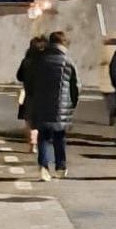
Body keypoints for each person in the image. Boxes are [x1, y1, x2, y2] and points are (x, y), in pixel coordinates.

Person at [27, 30, 79, 182]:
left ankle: (43, 167)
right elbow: (76, 86)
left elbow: (30, 83)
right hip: (61, 107)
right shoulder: (68, 62)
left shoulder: (38, 60)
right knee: (59, 137)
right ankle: (61, 167)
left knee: (43, 137)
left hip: (41, 104)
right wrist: (72, 104)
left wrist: (32, 98)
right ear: (63, 43)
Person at [16, 35, 47, 152]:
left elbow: (19, 76)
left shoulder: (26, 61)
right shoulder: (47, 61)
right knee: (40, 121)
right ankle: (37, 141)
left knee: (29, 120)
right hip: (44, 95)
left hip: (29, 94)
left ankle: (32, 143)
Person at [98, 32, 116, 125]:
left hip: (106, 77)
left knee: (109, 98)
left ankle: (112, 113)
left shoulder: (105, 49)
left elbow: (100, 60)